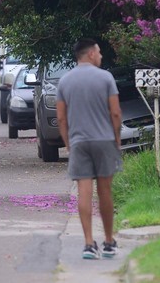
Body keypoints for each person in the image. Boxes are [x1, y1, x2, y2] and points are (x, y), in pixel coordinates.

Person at [55, 38, 122, 260]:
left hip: (79, 142)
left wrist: (68, 143)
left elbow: (61, 118)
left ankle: (88, 244)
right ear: (92, 53)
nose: (101, 56)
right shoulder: (106, 78)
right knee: (105, 191)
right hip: (104, 141)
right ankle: (109, 241)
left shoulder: (65, 81)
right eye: (100, 52)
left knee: (84, 191)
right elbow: (115, 113)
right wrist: (116, 139)